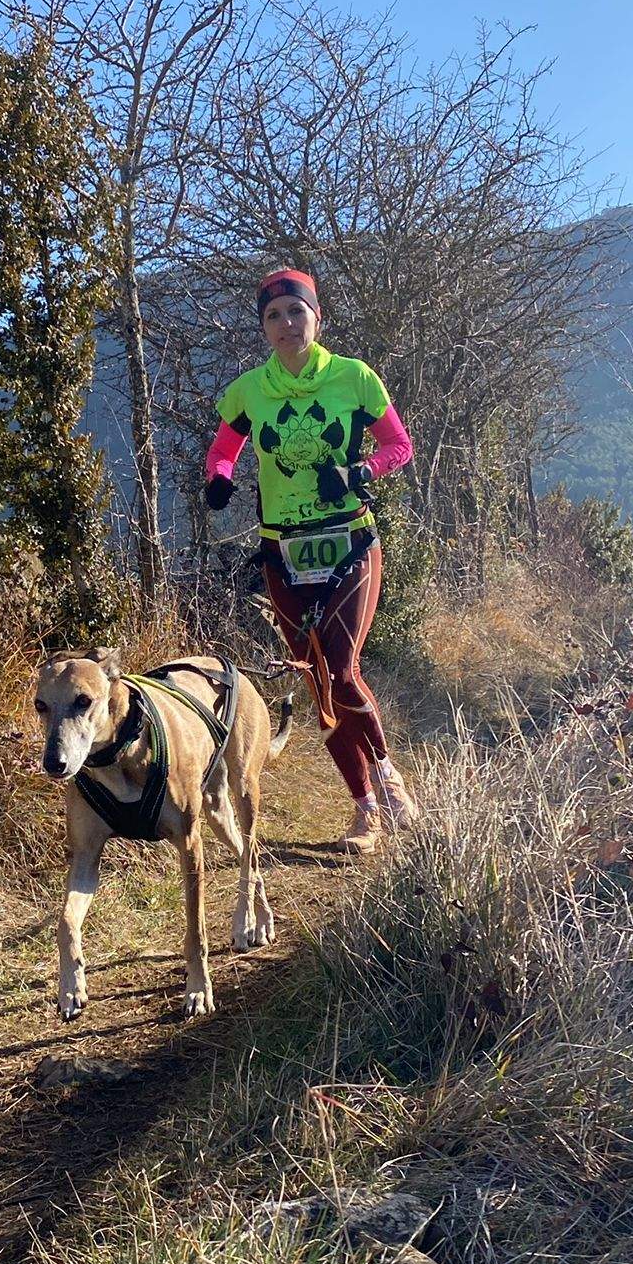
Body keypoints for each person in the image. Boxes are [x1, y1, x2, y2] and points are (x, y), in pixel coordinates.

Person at [204, 268, 419, 855]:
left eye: (296, 312)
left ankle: (387, 774)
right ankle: (364, 811)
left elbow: (399, 446)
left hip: (348, 539)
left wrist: (359, 473)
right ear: (263, 327)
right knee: (317, 683)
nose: (286, 325)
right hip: (284, 550)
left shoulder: (352, 378)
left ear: (315, 317)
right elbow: (224, 449)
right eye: (274, 316)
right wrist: (220, 480)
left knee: (343, 668)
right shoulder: (250, 390)